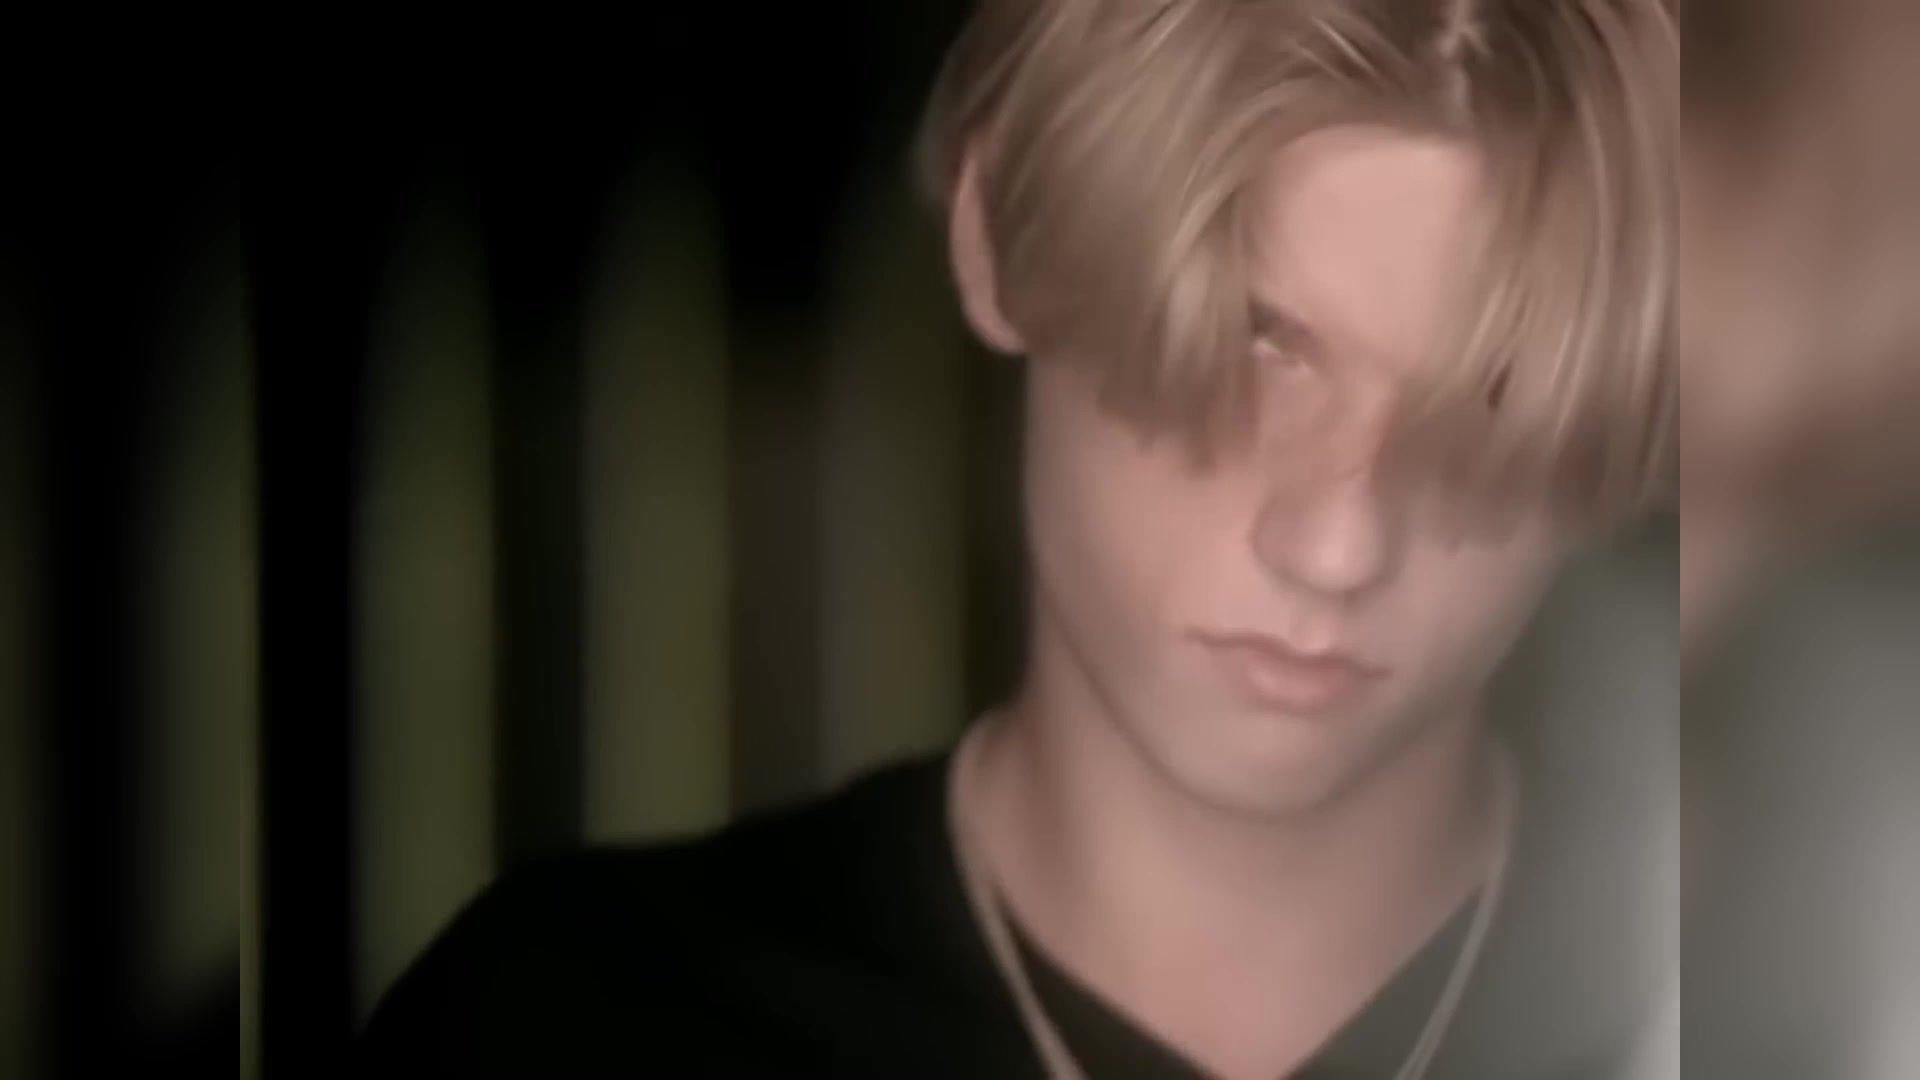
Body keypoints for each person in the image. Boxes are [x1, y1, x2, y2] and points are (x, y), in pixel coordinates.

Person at [359, 1, 1678, 1076]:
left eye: (1494, 400)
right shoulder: (561, 1035)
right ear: (995, 238)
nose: (1336, 546)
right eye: (1254, 345)